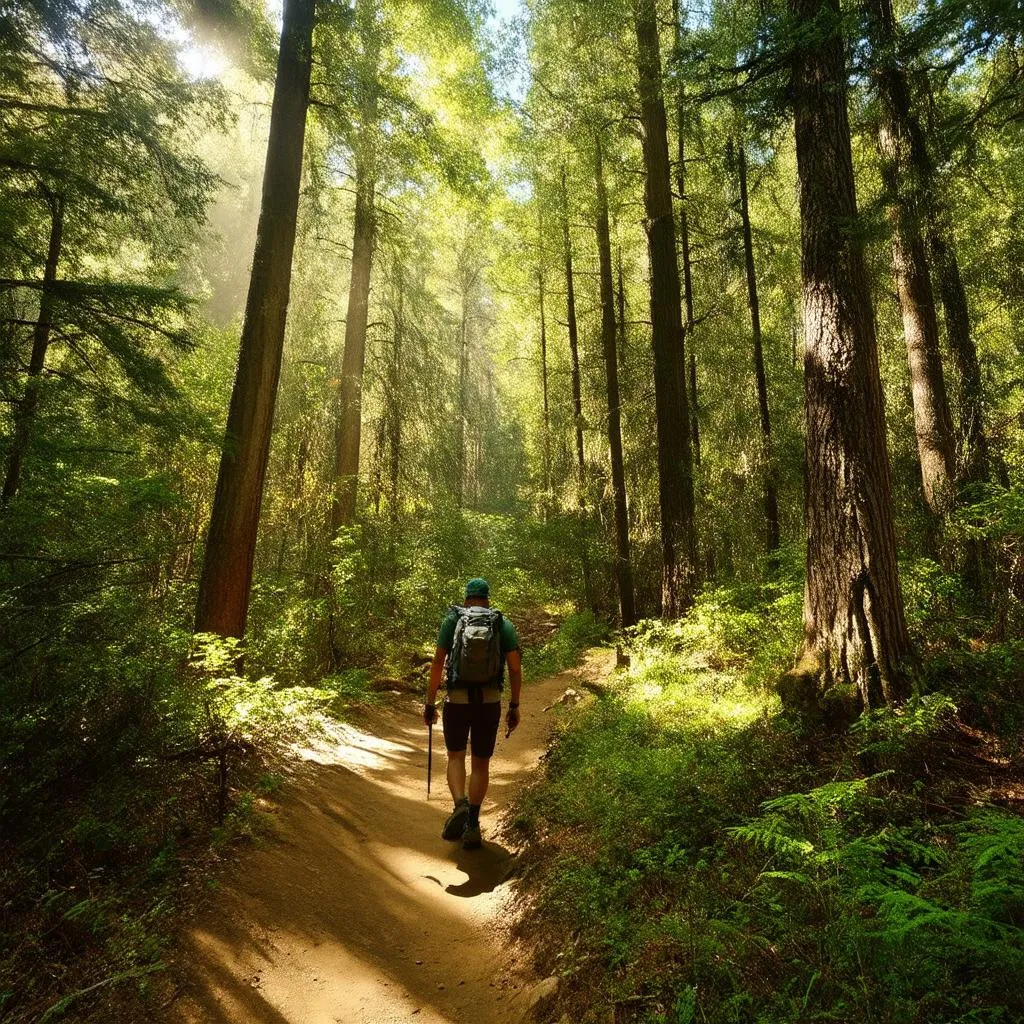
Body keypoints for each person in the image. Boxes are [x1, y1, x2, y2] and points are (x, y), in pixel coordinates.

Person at [423, 577, 522, 849]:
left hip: (456, 701)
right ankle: (473, 824)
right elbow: (514, 668)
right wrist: (514, 705)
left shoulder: (452, 621)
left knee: (456, 756)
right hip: (489, 703)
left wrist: (430, 703)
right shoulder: (501, 623)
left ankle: (460, 804)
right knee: (480, 763)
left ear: (467, 598)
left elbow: (437, 664)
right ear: (487, 598)